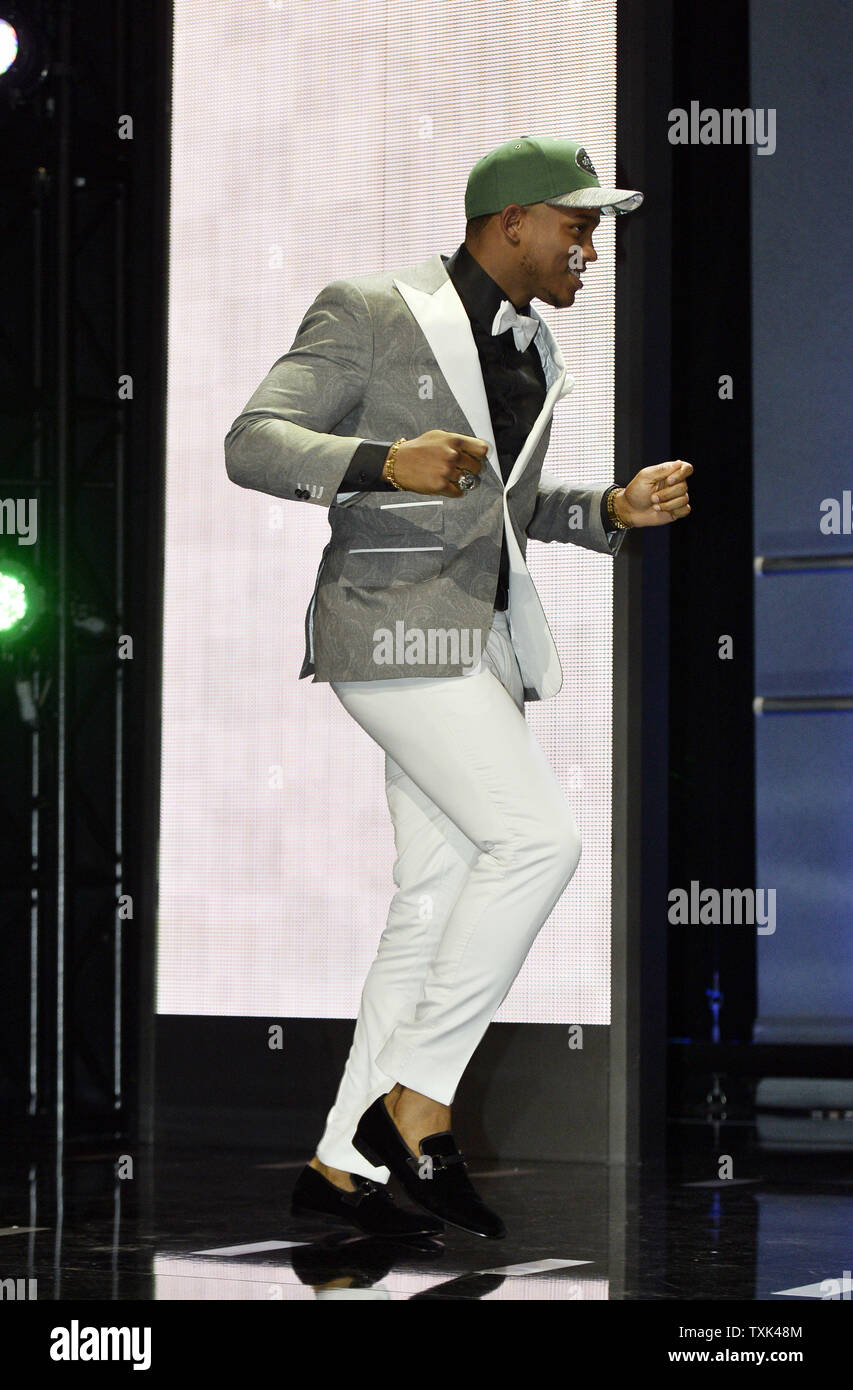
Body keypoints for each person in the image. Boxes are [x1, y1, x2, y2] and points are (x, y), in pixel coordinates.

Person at [224, 135, 692, 1241]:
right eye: (576, 227)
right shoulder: (373, 308)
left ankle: (341, 1166)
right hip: (386, 630)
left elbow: (499, 510)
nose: (589, 249)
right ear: (510, 221)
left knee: (429, 904)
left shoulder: (533, 350)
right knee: (538, 841)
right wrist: (384, 459)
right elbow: (252, 441)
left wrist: (606, 511)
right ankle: (416, 1102)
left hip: (475, 642)